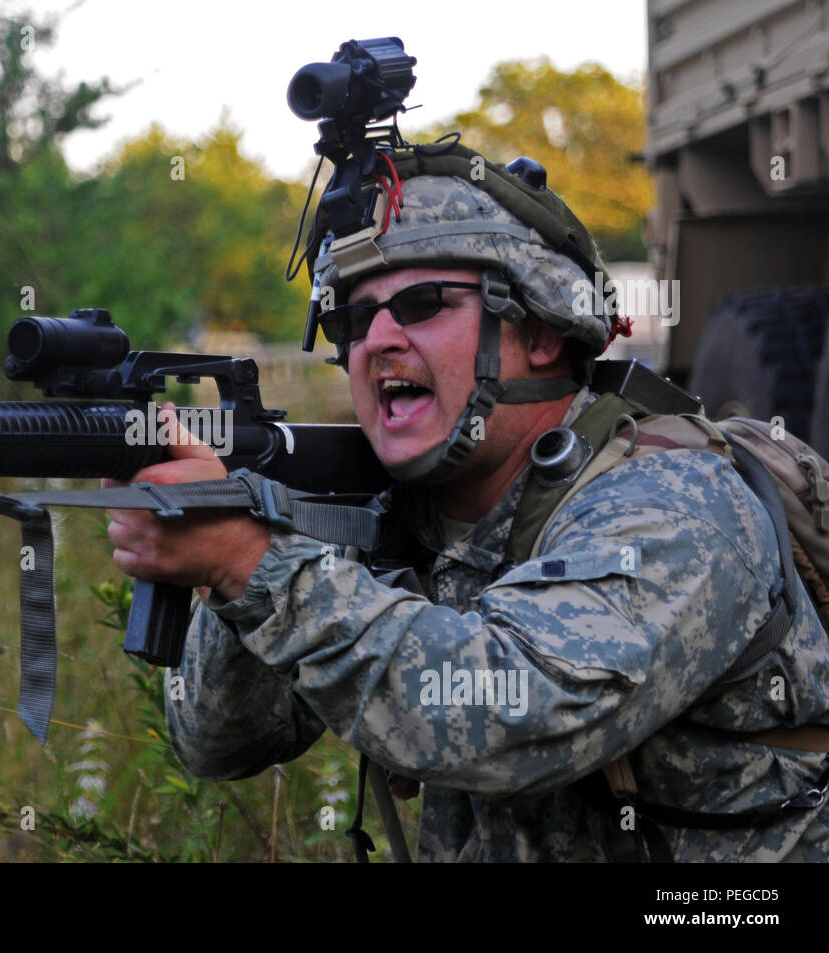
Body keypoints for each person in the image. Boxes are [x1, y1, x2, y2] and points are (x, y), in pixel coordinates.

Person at [104, 144, 829, 861]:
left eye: (423, 304)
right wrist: (240, 560)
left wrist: (252, 562)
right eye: (351, 322)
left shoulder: (673, 507)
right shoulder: (402, 515)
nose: (378, 340)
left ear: (542, 330)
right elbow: (220, 741)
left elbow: (507, 716)